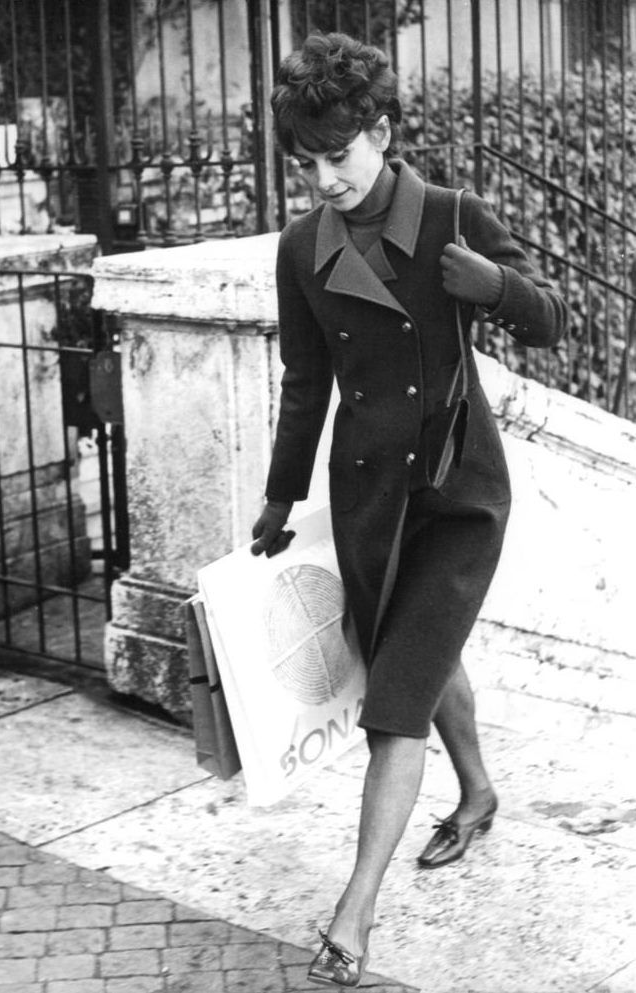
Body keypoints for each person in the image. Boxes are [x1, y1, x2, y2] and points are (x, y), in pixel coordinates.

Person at [250, 32, 569, 988]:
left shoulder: (451, 216)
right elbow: (305, 383)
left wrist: (497, 286)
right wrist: (279, 494)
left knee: (394, 710)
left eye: (338, 155)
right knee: (424, 658)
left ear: (382, 133)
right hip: (369, 499)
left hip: (458, 494)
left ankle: (353, 916)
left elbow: (552, 318)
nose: (325, 181)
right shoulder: (301, 248)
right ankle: (478, 791)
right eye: (306, 165)